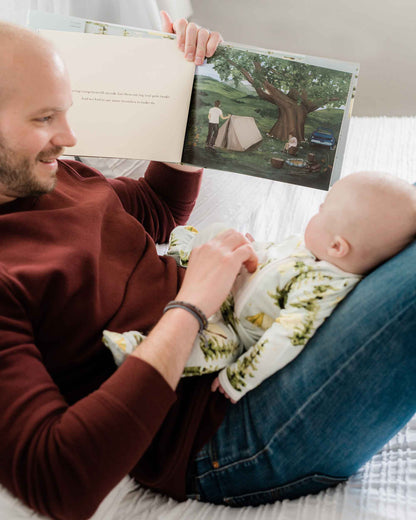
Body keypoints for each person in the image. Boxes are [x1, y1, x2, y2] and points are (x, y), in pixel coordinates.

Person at [0, 12, 415, 520]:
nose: (69, 136)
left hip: (247, 336)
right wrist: (193, 303)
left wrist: (189, 91)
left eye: (65, 111)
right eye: (44, 119)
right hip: (220, 428)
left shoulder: (49, 177)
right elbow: (59, 484)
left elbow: (153, 208)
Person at [103, 171, 416, 403]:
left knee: (207, 349)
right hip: (231, 290)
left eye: (321, 211)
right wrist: (256, 251)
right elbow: (278, 253)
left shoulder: (320, 288)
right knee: (218, 232)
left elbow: (283, 340)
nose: (315, 214)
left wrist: (236, 379)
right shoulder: (313, 249)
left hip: (236, 330)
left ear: (337, 246)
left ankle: (135, 351)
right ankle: (182, 251)